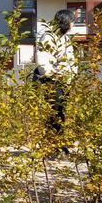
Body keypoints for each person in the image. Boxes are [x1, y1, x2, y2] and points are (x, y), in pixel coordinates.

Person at [34, 9, 76, 144]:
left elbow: (71, 60)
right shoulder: (48, 36)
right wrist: (56, 77)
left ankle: (59, 143)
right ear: (65, 22)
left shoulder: (65, 38)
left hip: (64, 80)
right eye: (72, 22)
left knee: (62, 112)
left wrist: (71, 77)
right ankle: (52, 144)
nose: (73, 25)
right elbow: (43, 62)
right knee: (54, 112)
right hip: (51, 81)